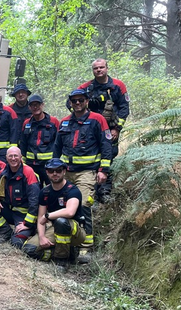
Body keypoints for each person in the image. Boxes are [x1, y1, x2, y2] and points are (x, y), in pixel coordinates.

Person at [53, 89, 113, 256]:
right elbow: (57, 148)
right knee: (62, 206)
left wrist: (103, 170)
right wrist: (52, 168)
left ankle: (86, 246)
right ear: (70, 103)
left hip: (87, 172)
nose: (77, 103)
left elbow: (106, 146)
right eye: (74, 101)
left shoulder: (97, 119)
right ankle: (67, 242)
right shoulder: (64, 122)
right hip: (66, 172)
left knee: (84, 205)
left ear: (87, 101)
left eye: (80, 100)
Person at [78, 58, 129, 202]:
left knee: (109, 157)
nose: (99, 70)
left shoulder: (118, 86)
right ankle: (91, 190)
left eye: (101, 67)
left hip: (111, 129)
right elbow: (71, 102)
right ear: (92, 70)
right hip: (91, 131)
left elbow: (124, 109)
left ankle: (105, 191)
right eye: (96, 68)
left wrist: (117, 129)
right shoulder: (86, 88)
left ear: (107, 68)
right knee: (93, 157)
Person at [22, 159, 88, 264]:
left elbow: (70, 212)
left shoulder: (72, 190)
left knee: (61, 221)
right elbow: (40, 218)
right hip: (54, 228)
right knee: (29, 250)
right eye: (51, 171)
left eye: (58, 170)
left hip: (75, 231)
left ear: (64, 172)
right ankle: (66, 253)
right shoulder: (45, 192)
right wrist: (42, 237)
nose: (55, 173)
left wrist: (48, 216)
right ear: (47, 172)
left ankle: (61, 261)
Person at [0, 146, 40, 246]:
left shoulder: (28, 172)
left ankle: (31, 229)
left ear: (21, 157)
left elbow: (35, 201)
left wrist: (27, 224)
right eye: (10, 156)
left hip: (24, 215)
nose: (13, 158)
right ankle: (5, 231)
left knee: (17, 243)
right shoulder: (3, 172)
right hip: (9, 211)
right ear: (6, 158)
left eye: (16, 156)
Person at [19, 93, 60, 187]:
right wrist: (23, 162)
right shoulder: (27, 123)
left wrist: (56, 162)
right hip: (31, 164)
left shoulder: (53, 122)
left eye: (37, 104)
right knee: (33, 188)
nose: (35, 107)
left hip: (49, 164)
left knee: (54, 188)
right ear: (29, 107)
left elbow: (59, 143)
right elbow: (23, 143)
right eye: (32, 105)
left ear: (42, 105)